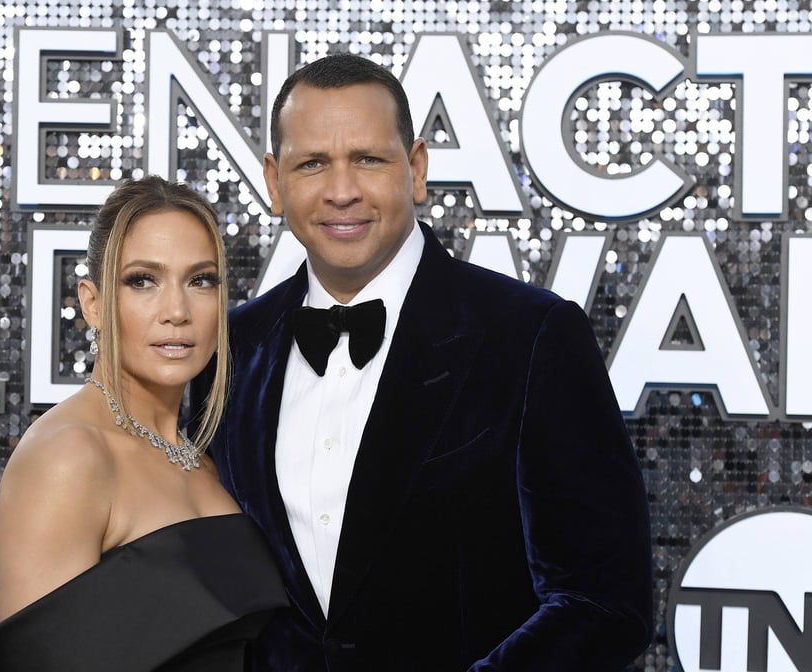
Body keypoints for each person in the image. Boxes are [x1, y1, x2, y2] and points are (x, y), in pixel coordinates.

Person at [197, 54, 654, 670]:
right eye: (313, 164)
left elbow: (606, 601)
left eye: (368, 159)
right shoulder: (228, 350)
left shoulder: (531, 336)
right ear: (275, 183)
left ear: (415, 169)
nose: (341, 191)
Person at [0, 176, 287, 672]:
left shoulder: (205, 458)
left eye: (200, 280)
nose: (177, 311)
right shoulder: (70, 457)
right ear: (92, 303)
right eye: (143, 280)